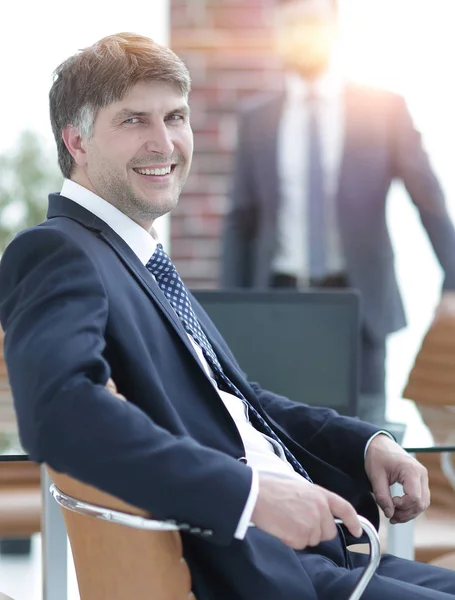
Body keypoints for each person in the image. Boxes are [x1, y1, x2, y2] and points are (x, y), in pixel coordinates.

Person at [0, 32, 454, 600]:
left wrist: (366, 444)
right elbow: (58, 414)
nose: (164, 142)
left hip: (321, 556)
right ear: (77, 141)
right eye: (134, 120)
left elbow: (240, 404)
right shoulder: (57, 251)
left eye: (175, 117)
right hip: (259, 573)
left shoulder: (136, 257)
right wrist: (249, 497)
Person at [220, 0, 455, 399]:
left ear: (335, 27)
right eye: (291, 24)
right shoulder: (257, 117)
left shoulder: (383, 108)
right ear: (277, 32)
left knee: (366, 438)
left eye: (313, 22)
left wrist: (452, 283)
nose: (302, 33)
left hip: (359, 308)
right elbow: (241, 220)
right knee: (279, 437)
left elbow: (428, 199)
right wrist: (228, 314)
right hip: (277, 303)